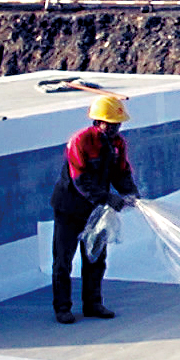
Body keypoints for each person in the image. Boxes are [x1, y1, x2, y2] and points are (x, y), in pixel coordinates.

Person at [50, 95, 141, 324]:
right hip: (69, 209)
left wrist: (130, 192)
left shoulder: (119, 144)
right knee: (63, 260)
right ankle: (62, 308)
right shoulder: (80, 141)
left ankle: (93, 304)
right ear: (98, 122)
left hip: (97, 210)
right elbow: (80, 180)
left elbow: (121, 173)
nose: (115, 128)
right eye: (110, 124)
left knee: (96, 259)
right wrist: (109, 198)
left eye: (117, 124)